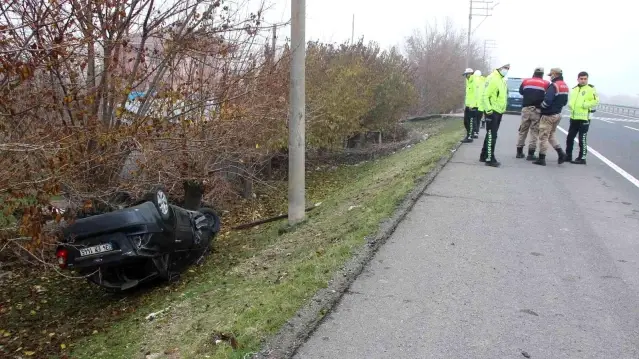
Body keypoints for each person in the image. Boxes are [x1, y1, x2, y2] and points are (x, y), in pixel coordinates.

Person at [533, 68, 569, 166]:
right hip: (557, 114)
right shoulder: (564, 85)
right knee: (551, 135)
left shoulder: (554, 86)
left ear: (555, 74)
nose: (550, 77)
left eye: (551, 75)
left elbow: (548, 100)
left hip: (548, 115)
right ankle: (561, 153)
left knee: (543, 137)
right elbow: (565, 101)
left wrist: (541, 108)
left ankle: (541, 159)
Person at [516, 67, 550, 160]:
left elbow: (521, 92)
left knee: (523, 130)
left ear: (534, 73)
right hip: (537, 110)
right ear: (542, 74)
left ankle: (519, 152)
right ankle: (531, 154)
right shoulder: (546, 83)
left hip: (526, 109)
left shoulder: (526, 81)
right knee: (534, 132)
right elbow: (548, 96)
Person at [480, 63, 510, 167]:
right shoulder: (493, 78)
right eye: (505, 68)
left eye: (508, 68)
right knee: (492, 135)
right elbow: (485, 95)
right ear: (499, 68)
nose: (506, 70)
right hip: (492, 111)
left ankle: (483, 155)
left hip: (498, 111)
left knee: (490, 134)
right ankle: (489, 158)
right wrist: (489, 110)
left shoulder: (502, 80)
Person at [566, 71, 599, 164]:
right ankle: (568, 156)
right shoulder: (575, 89)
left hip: (584, 118)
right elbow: (572, 100)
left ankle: (582, 158)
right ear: (578, 79)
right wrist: (570, 105)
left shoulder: (591, 89)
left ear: (587, 79)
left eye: (585, 79)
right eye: (581, 79)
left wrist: (585, 105)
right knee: (569, 138)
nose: (583, 80)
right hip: (574, 117)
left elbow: (596, 101)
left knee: (582, 139)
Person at [461, 68, 478, 143]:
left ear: (470, 74)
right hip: (468, 105)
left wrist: (472, 105)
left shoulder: (474, 81)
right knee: (466, 122)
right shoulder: (469, 82)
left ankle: (469, 137)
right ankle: (468, 135)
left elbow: (476, 95)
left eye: (466, 74)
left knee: (470, 122)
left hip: (472, 106)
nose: (465, 76)